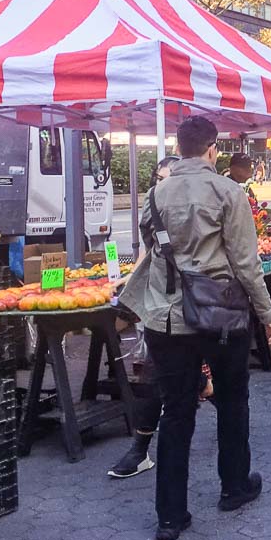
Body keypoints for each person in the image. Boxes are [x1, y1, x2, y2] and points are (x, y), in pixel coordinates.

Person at [119, 116, 271, 540]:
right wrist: (268, 315)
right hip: (220, 315)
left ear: (179, 146)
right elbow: (246, 264)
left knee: (176, 412)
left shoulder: (155, 193)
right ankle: (234, 485)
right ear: (212, 149)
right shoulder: (229, 192)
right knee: (232, 399)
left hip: (166, 318)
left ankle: (170, 517)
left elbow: (151, 248)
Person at [109, 156, 215, 481]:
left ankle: (233, 442)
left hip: (203, 305)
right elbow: (151, 247)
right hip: (164, 310)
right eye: (160, 177)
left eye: (169, 177)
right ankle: (140, 450)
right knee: (157, 375)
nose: (164, 183)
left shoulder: (205, 204)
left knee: (214, 374)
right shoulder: (154, 202)